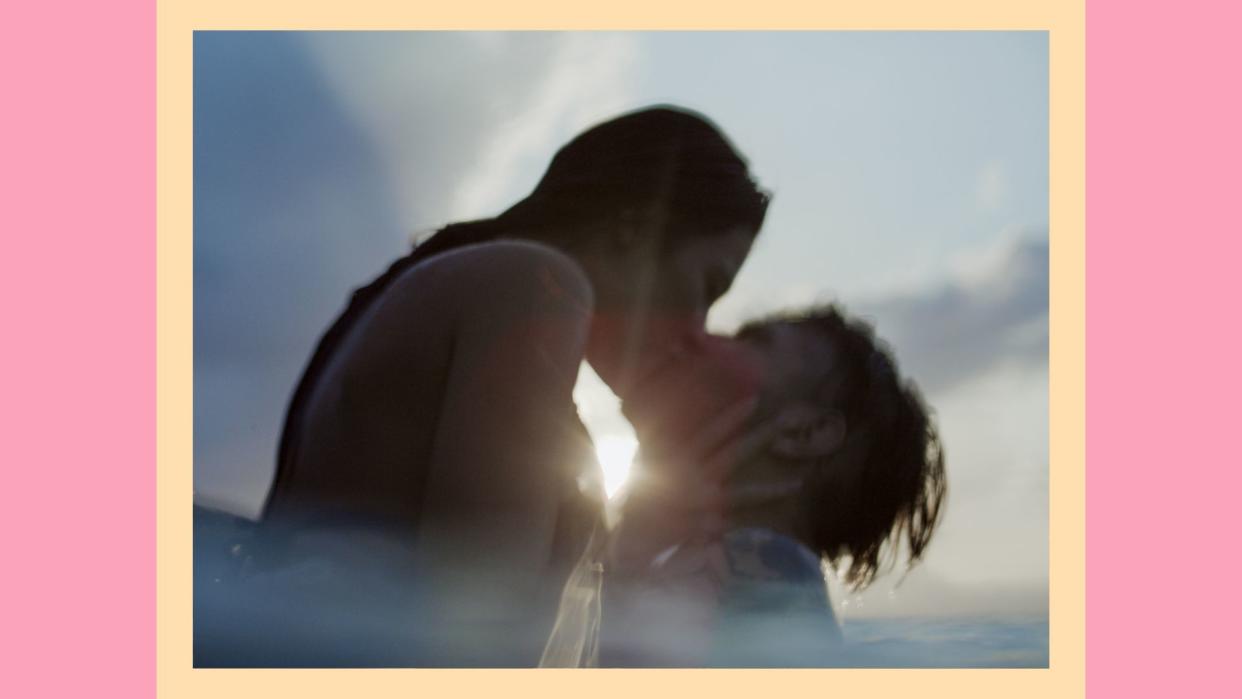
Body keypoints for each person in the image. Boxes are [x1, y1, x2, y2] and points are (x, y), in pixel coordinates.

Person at [195, 105, 770, 667]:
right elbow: (479, 623)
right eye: (706, 285)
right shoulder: (531, 284)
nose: (697, 330)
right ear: (635, 226)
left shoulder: (468, 284)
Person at [591, 304, 947, 667]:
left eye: (752, 340)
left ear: (804, 432)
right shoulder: (757, 579)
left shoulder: (759, 577)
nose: (699, 338)